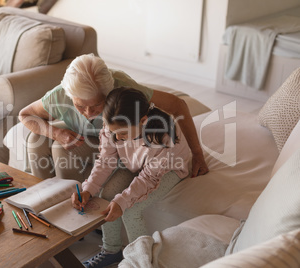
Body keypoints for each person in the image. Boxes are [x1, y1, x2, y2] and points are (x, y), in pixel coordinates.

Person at [19, 54, 208, 182]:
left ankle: (76, 209)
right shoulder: (59, 95)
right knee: (36, 138)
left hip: (118, 145)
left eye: (96, 106)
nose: (88, 112)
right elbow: (25, 114)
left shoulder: (123, 88)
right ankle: (42, 200)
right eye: (80, 106)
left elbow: (178, 105)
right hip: (88, 135)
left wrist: (198, 154)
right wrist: (56, 132)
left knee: (60, 149)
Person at [71, 87, 191, 267]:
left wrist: (123, 201)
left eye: (123, 134)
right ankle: (111, 250)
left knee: (131, 210)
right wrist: (88, 189)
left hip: (169, 169)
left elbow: (149, 178)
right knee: (106, 197)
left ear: (143, 121)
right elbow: (105, 161)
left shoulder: (164, 138)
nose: (118, 138)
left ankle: (141, 261)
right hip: (136, 164)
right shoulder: (113, 127)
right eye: (114, 133)